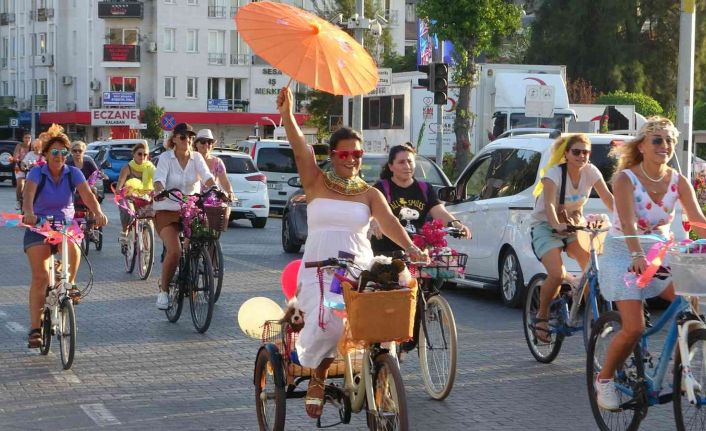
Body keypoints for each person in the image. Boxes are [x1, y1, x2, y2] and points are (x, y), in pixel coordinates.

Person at [277, 87, 429, 420]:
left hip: (357, 269)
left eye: (357, 154)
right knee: (332, 325)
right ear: (332, 155)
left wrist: (412, 248)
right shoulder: (315, 182)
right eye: (345, 154)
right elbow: (300, 148)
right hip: (320, 270)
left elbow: (389, 223)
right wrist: (288, 115)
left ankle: (380, 374)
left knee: (382, 320)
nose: (352, 160)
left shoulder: (369, 193)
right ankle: (318, 374)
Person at [594, 117, 706, 411]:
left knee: (690, 309)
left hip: (660, 253)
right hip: (624, 252)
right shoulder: (625, 179)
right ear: (641, 146)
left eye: (669, 140)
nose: (665, 146)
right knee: (634, 327)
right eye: (657, 140)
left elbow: (696, 221)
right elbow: (628, 222)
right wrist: (636, 256)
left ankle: (682, 369)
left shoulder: (678, 181)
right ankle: (604, 379)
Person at [21, 131, 108, 348]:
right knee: (40, 277)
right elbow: (28, 196)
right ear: (46, 153)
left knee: (74, 247)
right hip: (39, 226)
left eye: (63, 152)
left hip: (65, 225)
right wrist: (29, 213)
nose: (59, 156)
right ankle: (35, 329)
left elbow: (87, 195)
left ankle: (68, 283)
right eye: (55, 152)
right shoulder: (37, 173)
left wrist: (97, 212)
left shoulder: (73, 173)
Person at [530, 133, 614, 344]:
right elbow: (549, 204)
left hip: (574, 225)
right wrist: (556, 224)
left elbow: (607, 197)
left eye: (586, 152)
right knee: (556, 274)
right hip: (545, 226)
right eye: (576, 152)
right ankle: (542, 315)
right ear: (566, 154)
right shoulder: (554, 174)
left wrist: (625, 220)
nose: (581, 156)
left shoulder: (591, 171)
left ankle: (591, 316)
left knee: (590, 266)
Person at [152, 123, 216, 310]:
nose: (187, 140)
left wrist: (215, 189)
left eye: (190, 137)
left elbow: (207, 176)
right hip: (167, 208)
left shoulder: (196, 158)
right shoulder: (166, 158)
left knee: (204, 236)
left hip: (191, 208)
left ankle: (193, 267)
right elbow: (158, 179)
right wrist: (160, 190)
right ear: (174, 139)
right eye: (182, 137)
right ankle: (164, 291)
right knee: (175, 251)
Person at [370, 143, 471, 256]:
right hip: (386, 252)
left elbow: (440, 212)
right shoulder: (381, 188)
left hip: (417, 252)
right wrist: (375, 222)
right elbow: (372, 213)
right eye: (401, 162)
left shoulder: (425, 188)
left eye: (410, 161)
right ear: (391, 166)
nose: (407, 166)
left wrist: (457, 225)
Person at [115, 142, 156, 249]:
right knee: (128, 212)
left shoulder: (150, 167)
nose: (142, 157)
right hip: (129, 197)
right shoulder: (127, 168)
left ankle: (147, 248)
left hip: (145, 197)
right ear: (134, 154)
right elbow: (120, 182)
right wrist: (119, 189)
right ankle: (125, 232)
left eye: (145, 154)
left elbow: (158, 179)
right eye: (139, 154)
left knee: (153, 214)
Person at [193, 128, 236, 201]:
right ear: (196, 144)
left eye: (209, 142)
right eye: (203, 141)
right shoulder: (190, 160)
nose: (206, 144)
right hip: (192, 201)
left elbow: (224, 181)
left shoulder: (217, 162)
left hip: (211, 202)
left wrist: (230, 192)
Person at [13, 132, 32, 209]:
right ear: (23, 139)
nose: (27, 139)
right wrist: (17, 159)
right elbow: (15, 155)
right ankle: (18, 201)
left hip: (30, 168)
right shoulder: (19, 145)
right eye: (26, 138)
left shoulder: (33, 146)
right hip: (19, 167)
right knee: (20, 184)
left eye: (29, 138)